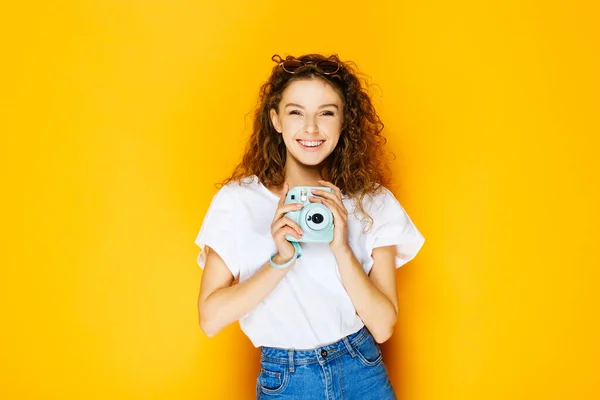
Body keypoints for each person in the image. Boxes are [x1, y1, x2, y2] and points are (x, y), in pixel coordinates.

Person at [194, 53, 425, 399]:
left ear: (344, 121)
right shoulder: (237, 202)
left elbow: (382, 326)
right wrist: (281, 259)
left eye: (327, 113)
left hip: (361, 370)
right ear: (276, 120)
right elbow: (210, 320)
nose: (312, 128)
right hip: (286, 380)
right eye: (296, 112)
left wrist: (341, 247)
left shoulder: (371, 202)